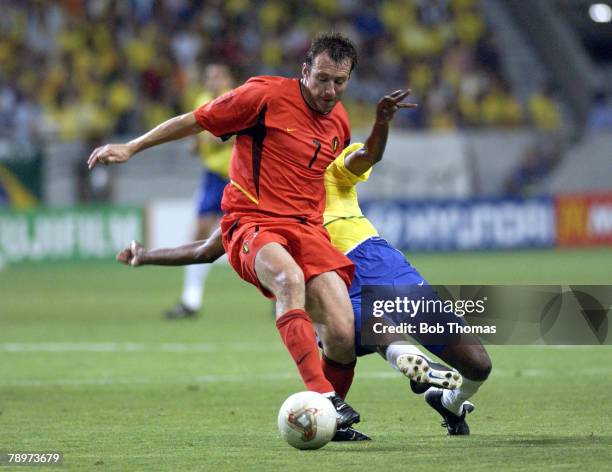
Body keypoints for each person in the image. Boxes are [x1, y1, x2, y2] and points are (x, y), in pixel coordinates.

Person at [89, 33, 416, 429]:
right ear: (304, 70)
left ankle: (331, 422)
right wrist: (131, 147)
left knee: (343, 330)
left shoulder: (340, 122)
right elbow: (196, 120)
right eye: (323, 79)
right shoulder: (263, 96)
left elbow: (206, 250)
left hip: (307, 231)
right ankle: (324, 396)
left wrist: (148, 256)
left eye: (340, 82)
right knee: (288, 278)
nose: (330, 91)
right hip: (253, 221)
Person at [117, 101, 492, 438]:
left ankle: (449, 400)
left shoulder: (329, 165)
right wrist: (146, 255)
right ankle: (402, 363)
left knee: (477, 364)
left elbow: (369, 155)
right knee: (351, 321)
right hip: (328, 274)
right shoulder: (260, 201)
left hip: (376, 259)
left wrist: (381, 123)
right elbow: (205, 249)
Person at [165, 64, 234, 320]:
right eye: (209, 76)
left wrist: (204, 138)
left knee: (259, 236)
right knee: (200, 233)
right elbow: (198, 137)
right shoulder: (203, 100)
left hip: (238, 177)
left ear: (228, 79)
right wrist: (195, 143)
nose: (213, 81)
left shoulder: (237, 99)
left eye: (218, 76)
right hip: (213, 177)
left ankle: (280, 294)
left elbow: (226, 137)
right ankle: (190, 300)